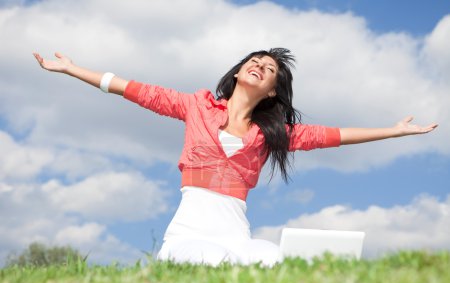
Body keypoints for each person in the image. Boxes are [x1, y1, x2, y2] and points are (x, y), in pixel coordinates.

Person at [33, 48, 438, 267]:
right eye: (255, 61)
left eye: (270, 69)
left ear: (274, 92)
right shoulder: (196, 106)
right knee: (210, 260)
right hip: (188, 234)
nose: (260, 66)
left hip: (236, 234)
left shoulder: (271, 135)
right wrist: (73, 69)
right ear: (241, 70)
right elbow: (132, 89)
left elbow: (335, 136)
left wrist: (394, 130)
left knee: (269, 256)